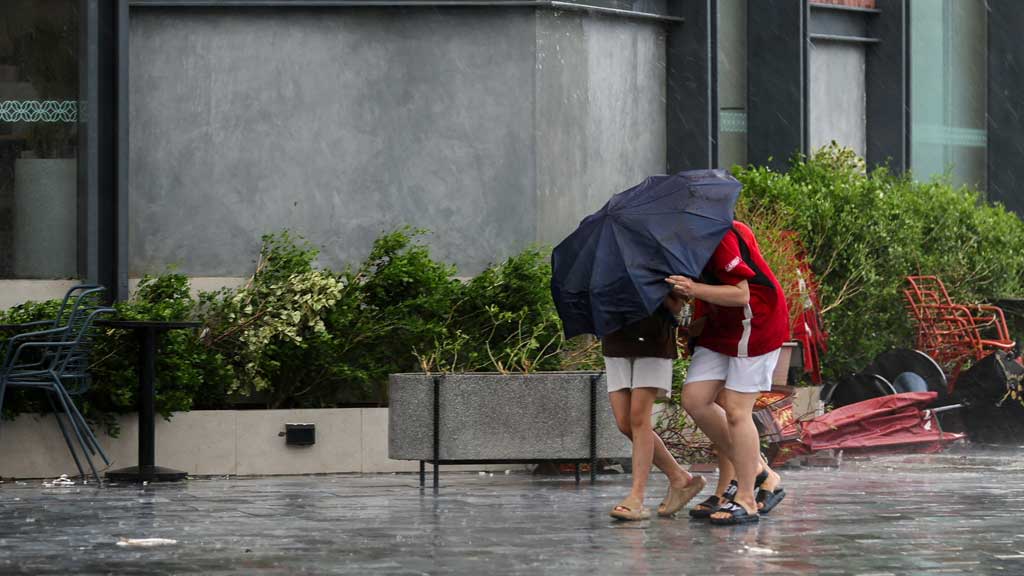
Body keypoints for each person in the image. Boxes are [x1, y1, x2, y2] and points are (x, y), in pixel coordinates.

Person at [667, 221, 789, 525]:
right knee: (696, 400)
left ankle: (746, 497)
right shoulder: (681, 239)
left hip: (755, 324)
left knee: (736, 409)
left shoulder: (721, 235)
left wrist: (693, 289)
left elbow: (741, 294)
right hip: (720, 327)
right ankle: (759, 470)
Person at [602, 294, 706, 521]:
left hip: (652, 340)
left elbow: (677, 305)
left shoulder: (658, 261)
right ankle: (680, 478)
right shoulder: (604, 261)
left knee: (639, 419)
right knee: (625, 423)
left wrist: (648, 287)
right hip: (614, 338)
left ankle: (636, 498)